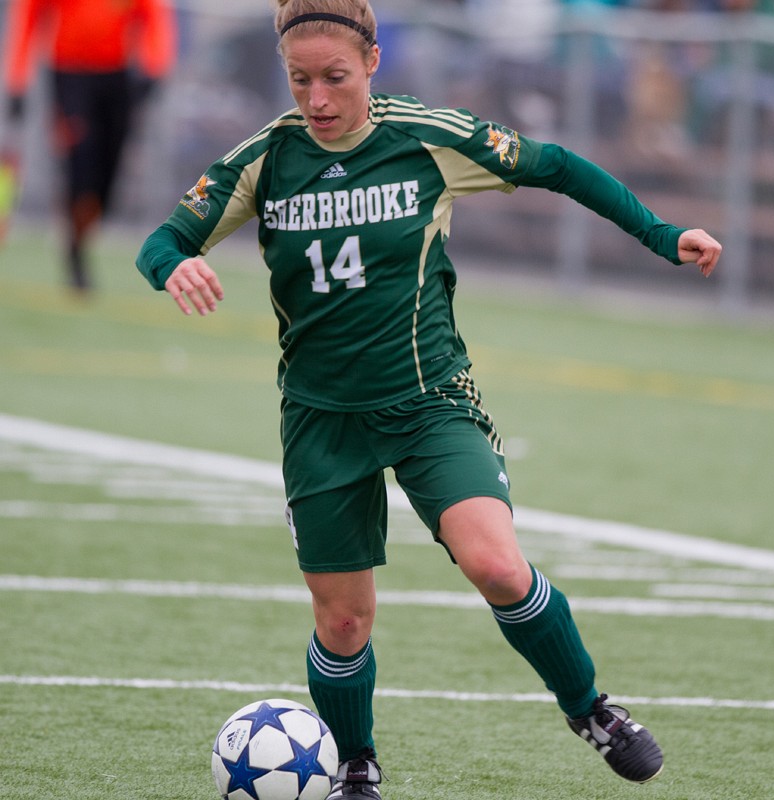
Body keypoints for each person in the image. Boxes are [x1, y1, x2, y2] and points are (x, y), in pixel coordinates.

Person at [136, 1, 722, 796]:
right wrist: (173, 265)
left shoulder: (425, 137)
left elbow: (556, 164)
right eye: (300, 79)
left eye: (335, 78)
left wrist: (661, 233)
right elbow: (163, 239)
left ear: (373, 62)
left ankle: (590, 708)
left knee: (497, 565)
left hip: (429, 401)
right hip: (320, 419)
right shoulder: (265, 160)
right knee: (343, 621)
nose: (317, 99)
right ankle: (354, 767)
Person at [2, 0, 177, 291]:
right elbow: (28, 16)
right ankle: (76, 249)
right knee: (81, 164)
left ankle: (80, 231)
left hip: (117, 78)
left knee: (106, 182)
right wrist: (17, 80)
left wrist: (154, 68)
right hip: (69, 76)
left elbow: (155, 17)